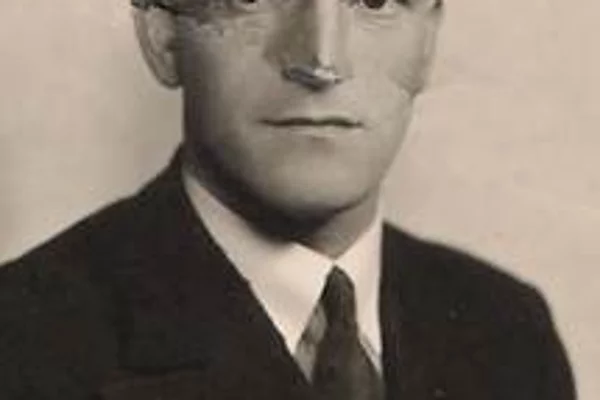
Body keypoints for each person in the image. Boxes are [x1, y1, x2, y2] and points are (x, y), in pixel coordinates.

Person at [0, 0, 575, 399]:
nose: (322, 60)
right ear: (163, 34)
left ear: (427, 42)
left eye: (375, 2)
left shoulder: (509, 332)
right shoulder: (22, 341)